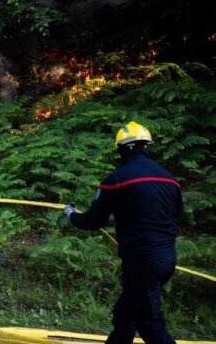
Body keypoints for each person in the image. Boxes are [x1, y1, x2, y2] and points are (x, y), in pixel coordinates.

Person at [64, 121, 182, 344]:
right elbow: (177, 213)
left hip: (141, 261)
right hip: (167, 259)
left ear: (122, 149)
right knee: (126, 313)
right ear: (147, 147)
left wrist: (70, 214)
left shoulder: (117, 179)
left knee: (150, 324)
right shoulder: (170, 180)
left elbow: (92, 221)